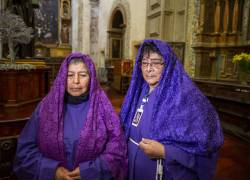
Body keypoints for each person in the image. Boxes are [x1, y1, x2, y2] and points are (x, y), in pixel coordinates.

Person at [120, 39, 224, 180]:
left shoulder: (186, 96)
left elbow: (207, 145)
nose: (148, 68)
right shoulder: (138, 91)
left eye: (156, 63)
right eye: (144, 63)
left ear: (168, 64)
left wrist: (165, 151)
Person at [14, 52, 128, 180]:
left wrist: (91, 170)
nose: (76, 81)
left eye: (83, 75)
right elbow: (25, 151)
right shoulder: (46, 106)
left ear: (91, 78)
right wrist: (52, 171)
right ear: (62, 77)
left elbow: (118, 148)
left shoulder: (104, 107)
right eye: (69, 75)